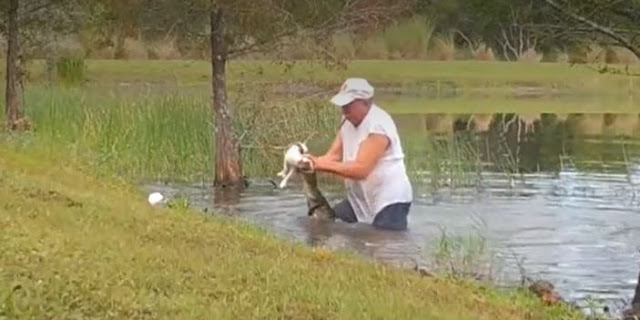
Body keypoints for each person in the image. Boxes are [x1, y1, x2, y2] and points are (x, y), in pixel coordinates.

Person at [304, 78, 413, 231]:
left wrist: (318, 164)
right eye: (343, 105)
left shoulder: (378, 125)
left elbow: (361, 170)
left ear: (366, 103)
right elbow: (332, 157)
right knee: (326, 225)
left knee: (385, 245)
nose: (344, 110)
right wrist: (306, 162)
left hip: (390, 200)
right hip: (360, 200)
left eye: (349, 105)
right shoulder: (347, 120)